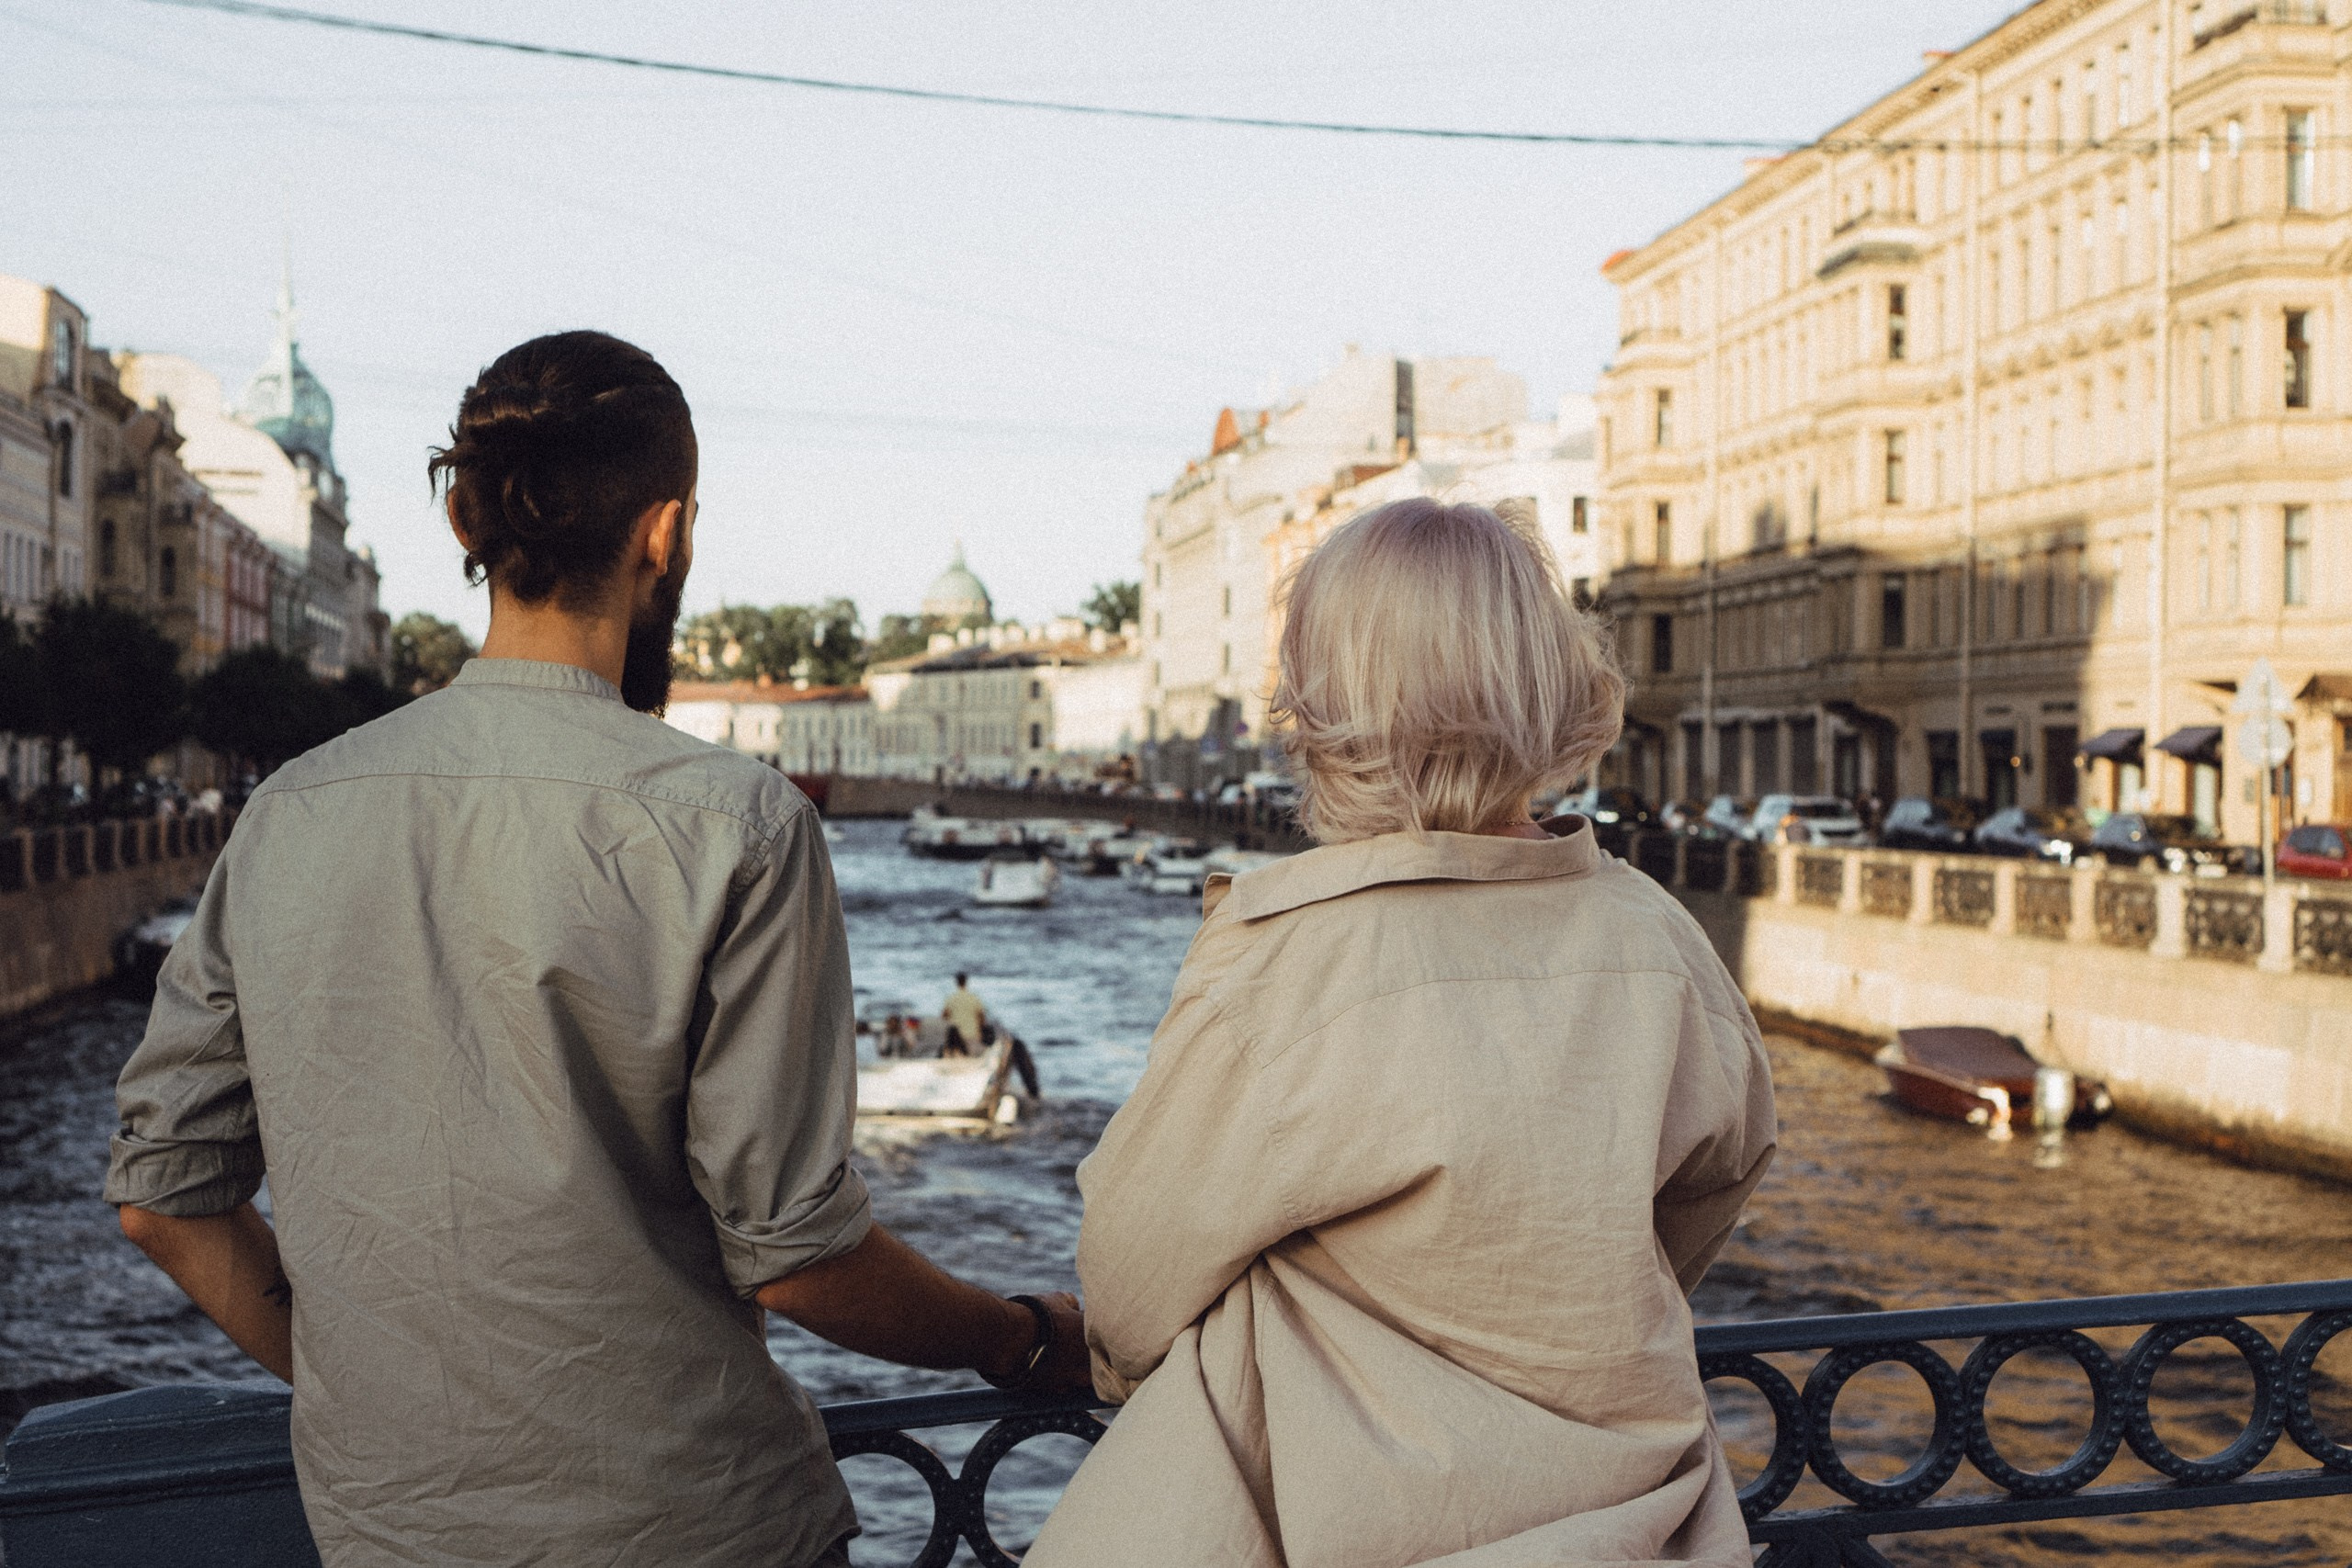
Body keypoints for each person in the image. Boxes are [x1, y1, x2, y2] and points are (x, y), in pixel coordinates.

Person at [104, 332, 1084, 1568]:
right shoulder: (738, 821)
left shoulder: (287, 810)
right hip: (694, 1528)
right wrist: (1019, 1336)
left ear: (463, 518)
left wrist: (387, 1398)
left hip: (392, 1530)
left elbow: (164, 1201)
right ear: (664, 533)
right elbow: (799, 1260)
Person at [1025, 498, 1777, 1568]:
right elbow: (1718, 1175)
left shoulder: (1285, 962)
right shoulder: (1658, 936)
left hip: (1341, 1524)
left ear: (1320, 705)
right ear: (1551, 682)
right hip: (1636, 1525)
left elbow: (1131, 1277)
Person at [941, 971, 987, 1056]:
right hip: (972, 1035)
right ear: (966, 981)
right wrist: (981, 1032)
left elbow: (943, 1017)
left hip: (956, 1037)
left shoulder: (951, 998)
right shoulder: (973, 997)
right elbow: (982, 1016)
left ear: (956, 982)